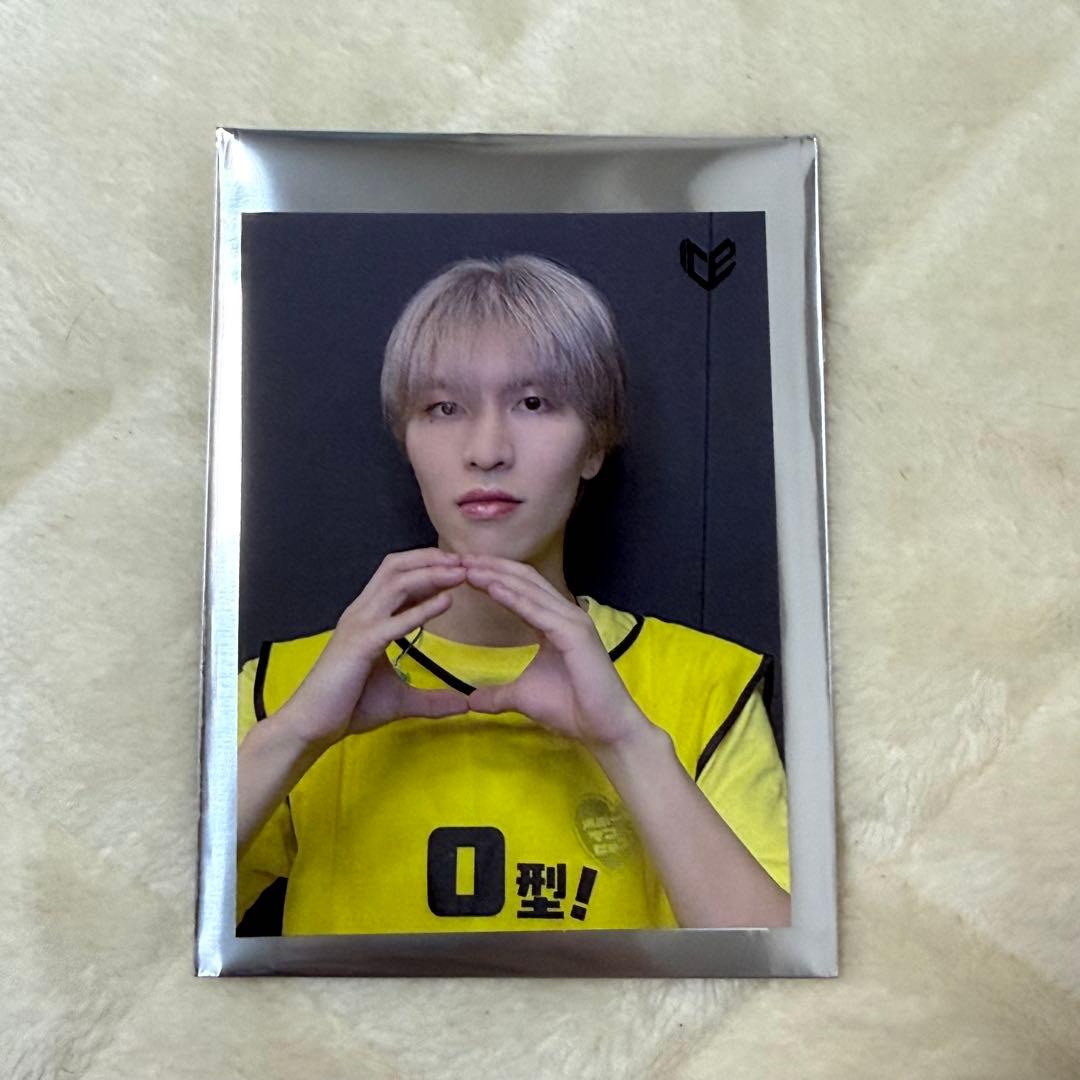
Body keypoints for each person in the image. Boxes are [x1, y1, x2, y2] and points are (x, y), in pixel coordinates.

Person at [236, 253, 790, 934]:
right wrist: (294, 736)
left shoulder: (706, 685)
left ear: (595, 445)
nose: (487, 450)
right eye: (444, 408)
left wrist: (626, 741)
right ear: (406, 442)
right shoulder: (284, 688)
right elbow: (134, 938)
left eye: (534, 403)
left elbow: (785, 975)